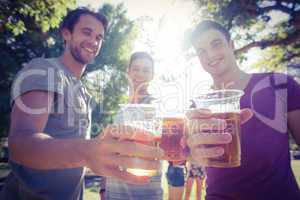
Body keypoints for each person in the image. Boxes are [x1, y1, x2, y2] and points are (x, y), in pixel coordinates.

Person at [0, 8, 164, 200]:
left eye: (99, 37)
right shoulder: (45, 69)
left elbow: (77, 150)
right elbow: (21, 144)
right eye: (87, 32)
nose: (94, 41)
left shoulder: (83, 92)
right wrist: (88, 152)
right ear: (66, 33)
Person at [186, 20, 300, 200]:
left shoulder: (279, 85)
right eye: (201, 51)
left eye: (216, 44)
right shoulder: (198, 107)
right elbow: (191, 155)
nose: (210, 55)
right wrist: (192, 152)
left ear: (231, 45)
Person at [105, 52, 163, 200]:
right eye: (136, 69)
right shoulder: (119, 108)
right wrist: (103, 187)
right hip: (114, 193)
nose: (140, 74)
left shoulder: (157, 107)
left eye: (146, 70)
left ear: (152, 75)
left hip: (147, 193)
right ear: (128, 72)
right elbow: (107, 149)